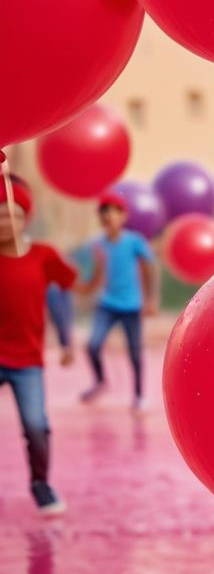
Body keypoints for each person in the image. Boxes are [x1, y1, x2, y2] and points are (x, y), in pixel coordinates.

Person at [0, 173, 101, 515]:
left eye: (12, 214)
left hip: (27, 360)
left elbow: (74, 288)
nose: (6, 221)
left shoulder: (43, 256)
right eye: (0, 214)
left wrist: (97, 275)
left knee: (37, 427)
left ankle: (41, 485)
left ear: (24, 217)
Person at [79, 193, 158, 412]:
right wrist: (82, 287)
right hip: (107, 304)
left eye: (114, 212)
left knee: (134, 352)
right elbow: (94, 275)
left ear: (123, 216)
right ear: (101, 219)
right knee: (93, 345)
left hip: (131, 306)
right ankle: (100, 381)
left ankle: (139, 396)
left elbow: (150, 269)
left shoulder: (134, 241)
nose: (109, 216)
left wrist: (151, 299)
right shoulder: (97, 245)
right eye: (104, 212)